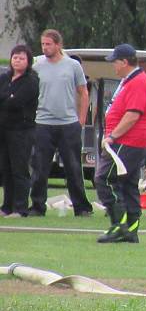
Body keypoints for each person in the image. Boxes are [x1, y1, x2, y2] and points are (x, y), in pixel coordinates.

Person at [30, 29, 93, 217]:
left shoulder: (72, 66)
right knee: (40, 167)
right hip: (43, 123)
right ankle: (37, 206)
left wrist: (81, 120)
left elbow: (83, 92)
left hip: (68, 123)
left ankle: (82, 207)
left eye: (48, 44)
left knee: (73, 167)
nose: (45, 47)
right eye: (43, 44)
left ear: (58, 45)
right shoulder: (37, 65)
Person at [96, 45, 146, 244]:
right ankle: (131, 230)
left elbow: (132, 115)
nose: (113, 65)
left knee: (104, 179)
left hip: (127, 141)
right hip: (132, 141)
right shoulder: (131, 81)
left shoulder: (137, 82)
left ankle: (118, 225)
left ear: (124, 62)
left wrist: (112, 136)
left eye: (115, 61)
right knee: (129, 184)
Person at [0, 45, 39, 218]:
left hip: (22, 130)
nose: (17, 60)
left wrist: (8, 98)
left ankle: (20, 208)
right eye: (15, 57)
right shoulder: (4, 77)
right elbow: (7, 99)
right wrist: (8, 96)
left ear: (28, 61)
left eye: (21, 58)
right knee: (6, 168)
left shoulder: (31, 80)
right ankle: (6, 206)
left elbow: (17, 102)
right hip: (4, 129)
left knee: (19, 169)